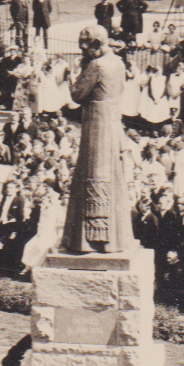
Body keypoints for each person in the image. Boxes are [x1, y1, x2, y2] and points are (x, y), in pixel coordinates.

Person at [62, 26, 134, 255]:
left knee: (94, 173)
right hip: (112, 121)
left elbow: (76, 94)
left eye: (86, 48)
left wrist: (73, 75)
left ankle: (91, 240)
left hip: (97, 124)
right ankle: (116, 238)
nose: (84, 52)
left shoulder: (97, 65)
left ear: (96, 44)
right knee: (111, 175)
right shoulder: (118, 62)